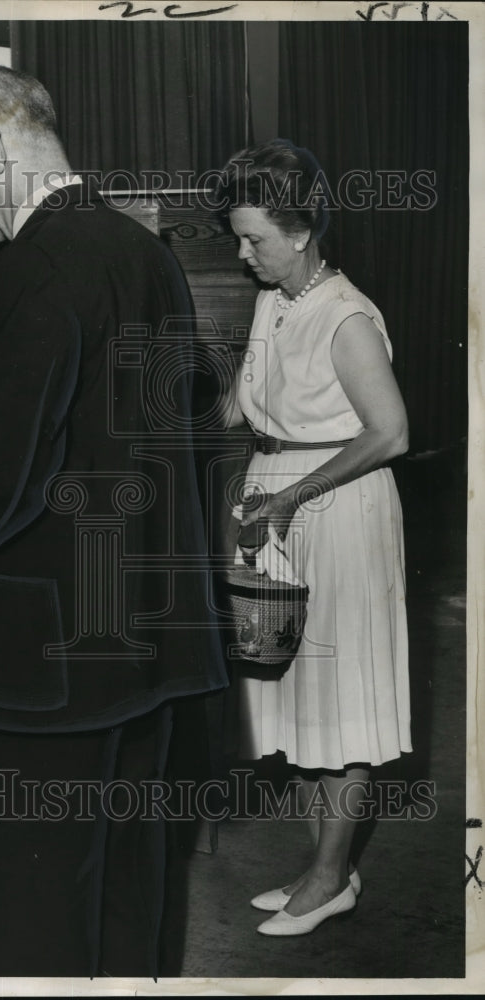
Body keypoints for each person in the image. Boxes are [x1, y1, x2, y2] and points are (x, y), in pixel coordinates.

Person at [0, 64, 228, 977]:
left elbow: (9, 475)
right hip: (144, 648)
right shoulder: (140, 247)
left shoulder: (36, 265)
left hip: (46, 666)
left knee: (30, 914)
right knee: (124, 896)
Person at [217, 139, 411, 936]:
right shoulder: (276, 299)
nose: (241, 253)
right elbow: (242, 409)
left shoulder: (345, 315)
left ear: (298, 233)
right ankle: (325, 870)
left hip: (336, 511)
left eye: (254, 238)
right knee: (287, 696)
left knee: (338, 700)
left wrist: (290, 494)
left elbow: (390, 433)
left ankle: (329, 876)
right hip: (274, 505)